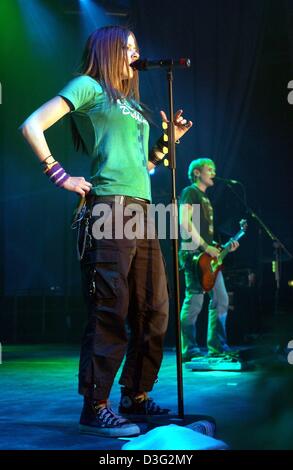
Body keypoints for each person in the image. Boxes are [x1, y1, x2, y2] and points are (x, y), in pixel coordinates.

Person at [20, 25, 192, 438]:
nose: (135, 53)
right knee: (110, 307)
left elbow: (145, 166)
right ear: (110, 51)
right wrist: (60, 174)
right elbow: (32, 124)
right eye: (128, 47)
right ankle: (95, 404)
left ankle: (136, 396)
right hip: (108, 208)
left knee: (155, 307)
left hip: (142, 209)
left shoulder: (132, 104)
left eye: (138, 45)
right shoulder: (88, 86)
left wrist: (169, 142)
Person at [179, 158, 239, 362]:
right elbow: (183, 221)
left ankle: (217, 346)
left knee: (221, 299)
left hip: (208, 257)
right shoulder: (190, 192)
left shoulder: (205, 198)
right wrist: (205, 246)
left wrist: (223, 249)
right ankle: (188, 348)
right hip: (194, 255)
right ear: (197, 173)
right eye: (209, 169)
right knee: (195, 301)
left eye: (214, 169)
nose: (213, 172)